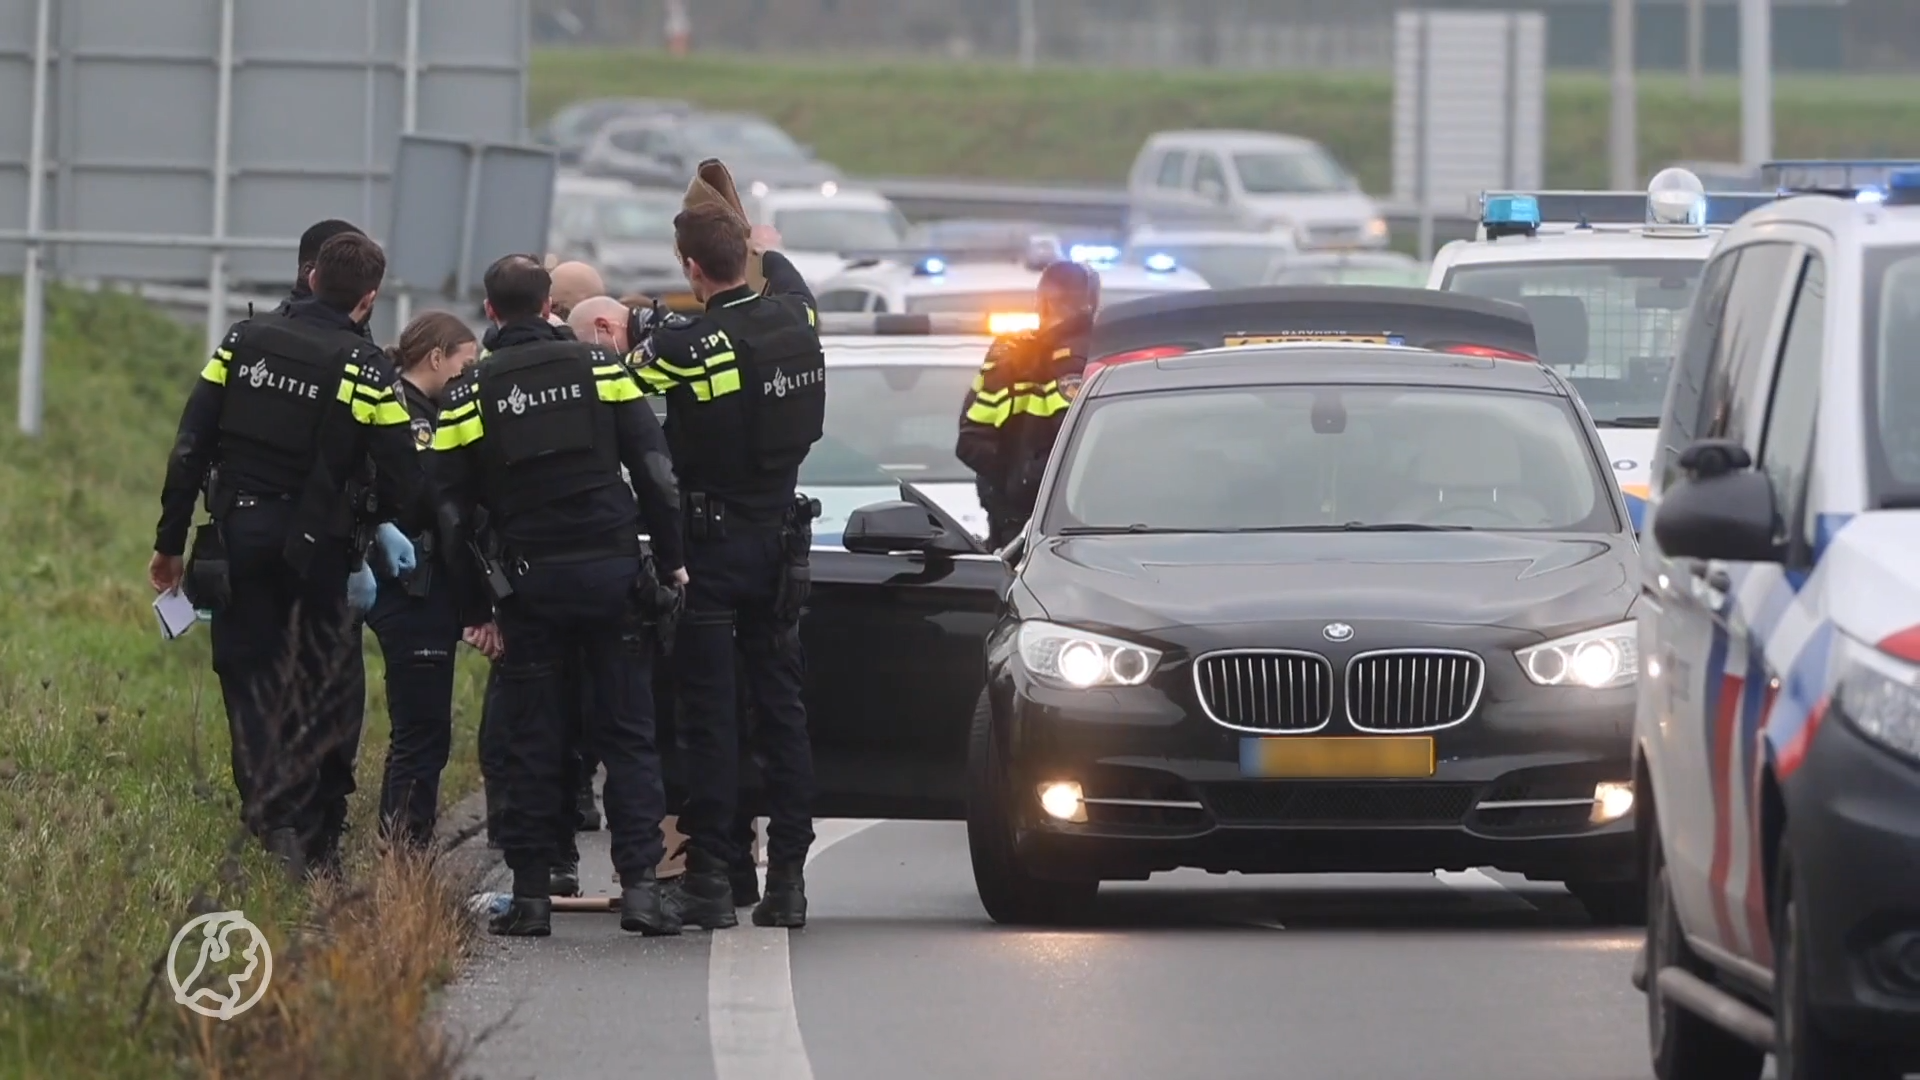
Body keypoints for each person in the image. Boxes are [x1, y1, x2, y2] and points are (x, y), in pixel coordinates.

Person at [149, 232, 428, 879]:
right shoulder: (366, 369)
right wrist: (375, 520)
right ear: (368, 299)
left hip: (238, 541)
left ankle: (273, 820)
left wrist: (168, 544)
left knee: (246, 676)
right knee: (322, 682)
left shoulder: (241, 344)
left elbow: (190, 446)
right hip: (322, 551)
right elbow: (404, 477)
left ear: (309, 277)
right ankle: (318, 833)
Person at [433, 254, 687, 938]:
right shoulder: (604, 372)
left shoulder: (470, 394)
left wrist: (475, 612)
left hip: (531, 586)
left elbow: (450, 516)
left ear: (490, 310)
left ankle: (534, 897)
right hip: (612, 577)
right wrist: (673, 561)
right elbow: (657, 474)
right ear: (548, 305)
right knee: (630, 736)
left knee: (534, 737)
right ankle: (640, 892)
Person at [625, 203, 825, 930]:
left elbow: (626, 381)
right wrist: (756, 237)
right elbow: (793, 281)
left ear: (689, 269)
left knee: (709, 716)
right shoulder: (797, 320)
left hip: (710, 546)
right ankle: (790, 881)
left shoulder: (690, 343)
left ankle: (713, 874)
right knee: (781, 711)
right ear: (748, 254)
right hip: (780, 541)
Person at [363, 311, 479, 850]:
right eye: (465, 364)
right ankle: (404, 851)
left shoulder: (420, 407)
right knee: (421, 729)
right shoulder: (414, 420)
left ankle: (407, 844)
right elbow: (432, 499)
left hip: (425, 586)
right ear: (437, 357)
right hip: (413, 588)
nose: (469, 376)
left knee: (425, 727)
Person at [956, 260, 1100, 548]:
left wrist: (1013, 487)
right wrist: (1021, 487)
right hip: (1073, 531)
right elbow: (1084, 450)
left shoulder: (1007, 357)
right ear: (1092, 305)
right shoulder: (1095, 355)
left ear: (1041, 303)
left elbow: (970, 442)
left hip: (1015, 531)